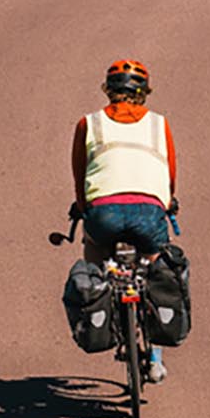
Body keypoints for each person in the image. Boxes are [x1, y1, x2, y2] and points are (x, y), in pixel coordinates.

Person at [71, 58, 178, 382]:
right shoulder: (160, 124)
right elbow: (169, 173)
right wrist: (168, 203)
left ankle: (107, 309)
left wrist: (82, 206)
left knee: (95, 257)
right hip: (149, 210)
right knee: (156, 268)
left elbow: (80, 175)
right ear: (143, 92)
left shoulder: (89, 123)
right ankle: (156, 357)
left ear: (109, 91)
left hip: (103, 212)